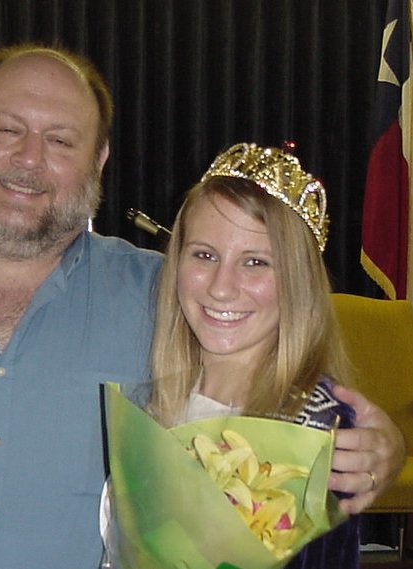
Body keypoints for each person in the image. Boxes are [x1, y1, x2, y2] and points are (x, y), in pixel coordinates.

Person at [0, 43, 403, 569]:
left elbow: (278, 373)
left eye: (61, 140)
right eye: (6, 129)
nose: (29, 158)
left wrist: (377, 446)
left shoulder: (170, 297)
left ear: (99, 160)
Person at [145, 142, 365, 567]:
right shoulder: (150, 396)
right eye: (205, 255)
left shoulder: (319, 428)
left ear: (297, 280)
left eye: (255, 262)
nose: (221, 287)